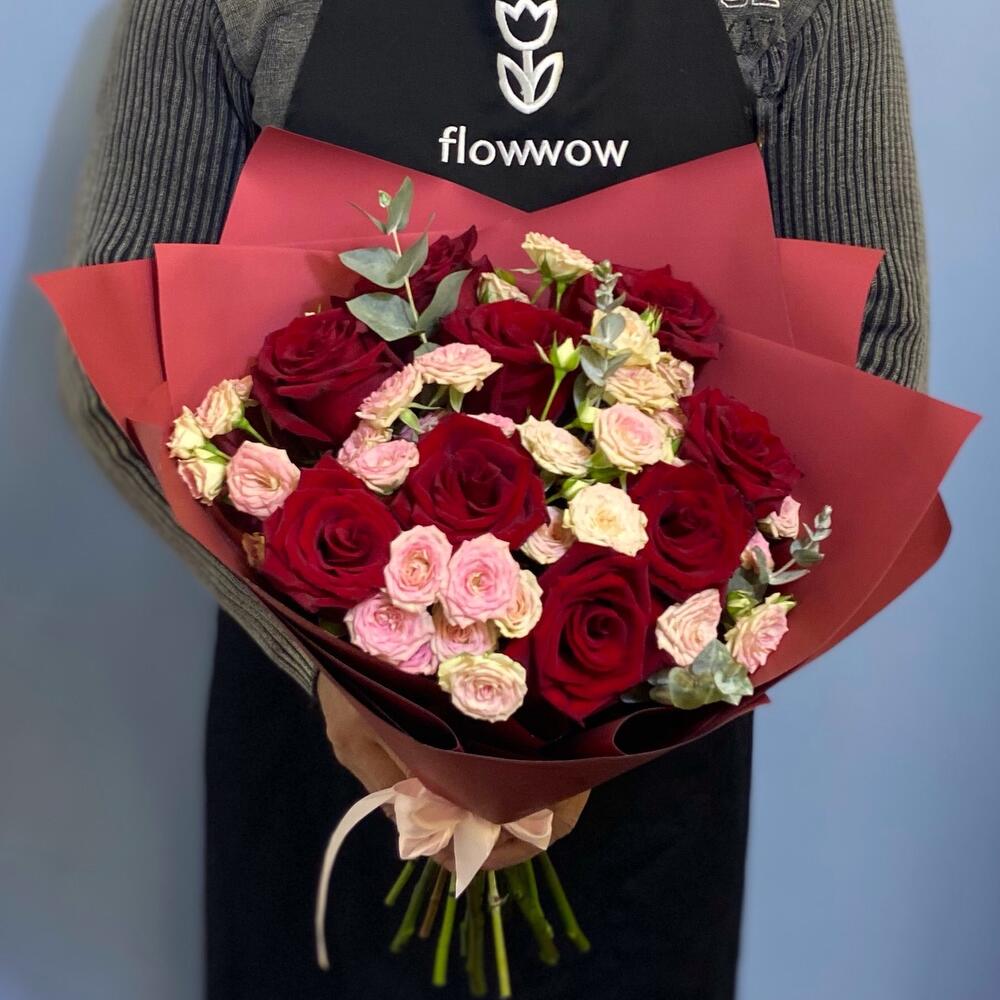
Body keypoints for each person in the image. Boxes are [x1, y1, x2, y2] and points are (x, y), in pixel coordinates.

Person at [60, 1, 928, 997]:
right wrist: (335, 683)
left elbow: (867, 369)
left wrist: (619, 705)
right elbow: (122, 352)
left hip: (645, 744)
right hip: (327, 735)